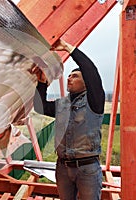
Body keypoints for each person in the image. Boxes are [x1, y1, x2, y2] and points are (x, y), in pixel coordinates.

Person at [32, 39, 105, 200]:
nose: (69, 78)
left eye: (75, 76)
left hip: (87, 168)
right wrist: (41, 83)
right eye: (69, 75)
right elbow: (40, 107)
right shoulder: (62, 104)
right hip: (63, 168)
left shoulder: (94, 101)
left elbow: (91, 71)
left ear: (86, 83)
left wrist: (68, 47)